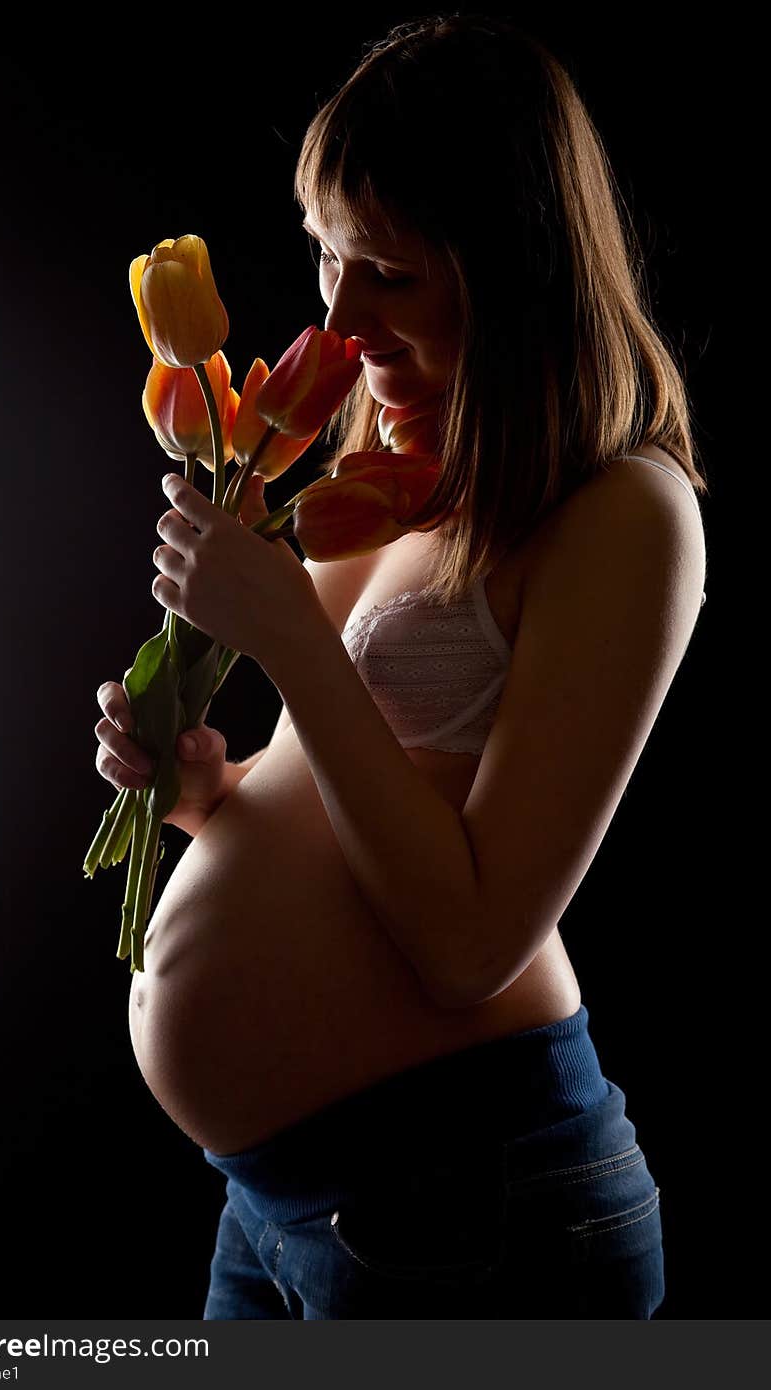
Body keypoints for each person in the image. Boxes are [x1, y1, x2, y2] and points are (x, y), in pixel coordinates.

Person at [93, 12, 708, 1318]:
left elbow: (471, 936)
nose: (338, 314)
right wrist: (210, 789)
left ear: (510, 270)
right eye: (327, 253)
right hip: (283, 1201)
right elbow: (358, 793)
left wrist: (289, 633)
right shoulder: (400, 470)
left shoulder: (624, 511)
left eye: (389, 272)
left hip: (474, 1200)